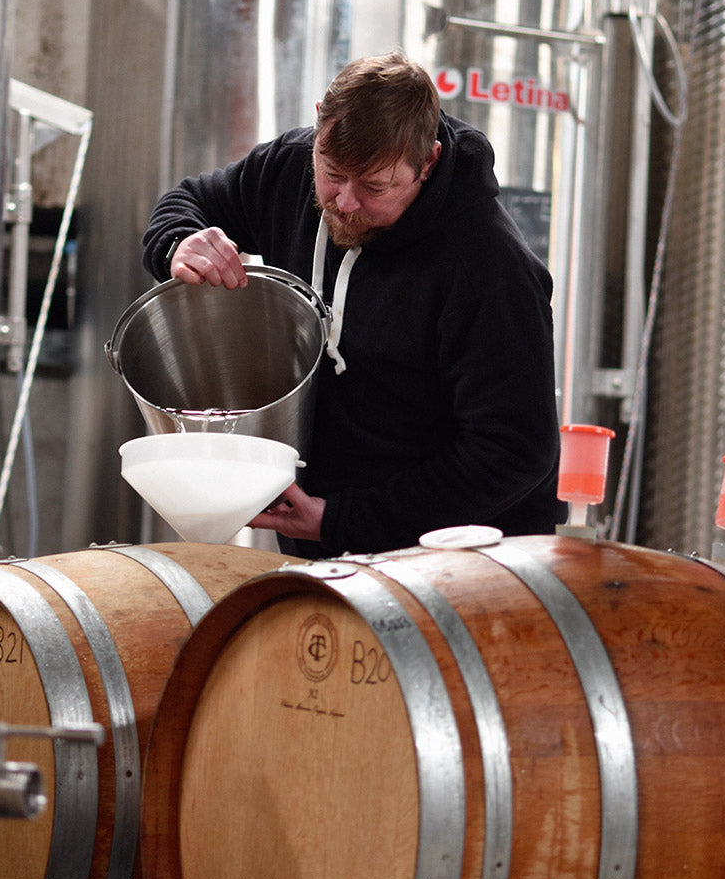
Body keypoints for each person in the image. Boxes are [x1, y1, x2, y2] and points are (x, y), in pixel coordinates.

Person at [142, 50, 565, 558]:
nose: (343, 202)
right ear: (320, 121)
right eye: (333, 172)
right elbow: (189, 199)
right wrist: (179, 243)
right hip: (323, 548)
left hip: (460, 566)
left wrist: (340, 521)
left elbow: (514, 453)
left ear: (427, 163)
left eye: (374, 186)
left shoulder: (490, 266)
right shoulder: (289, 168)